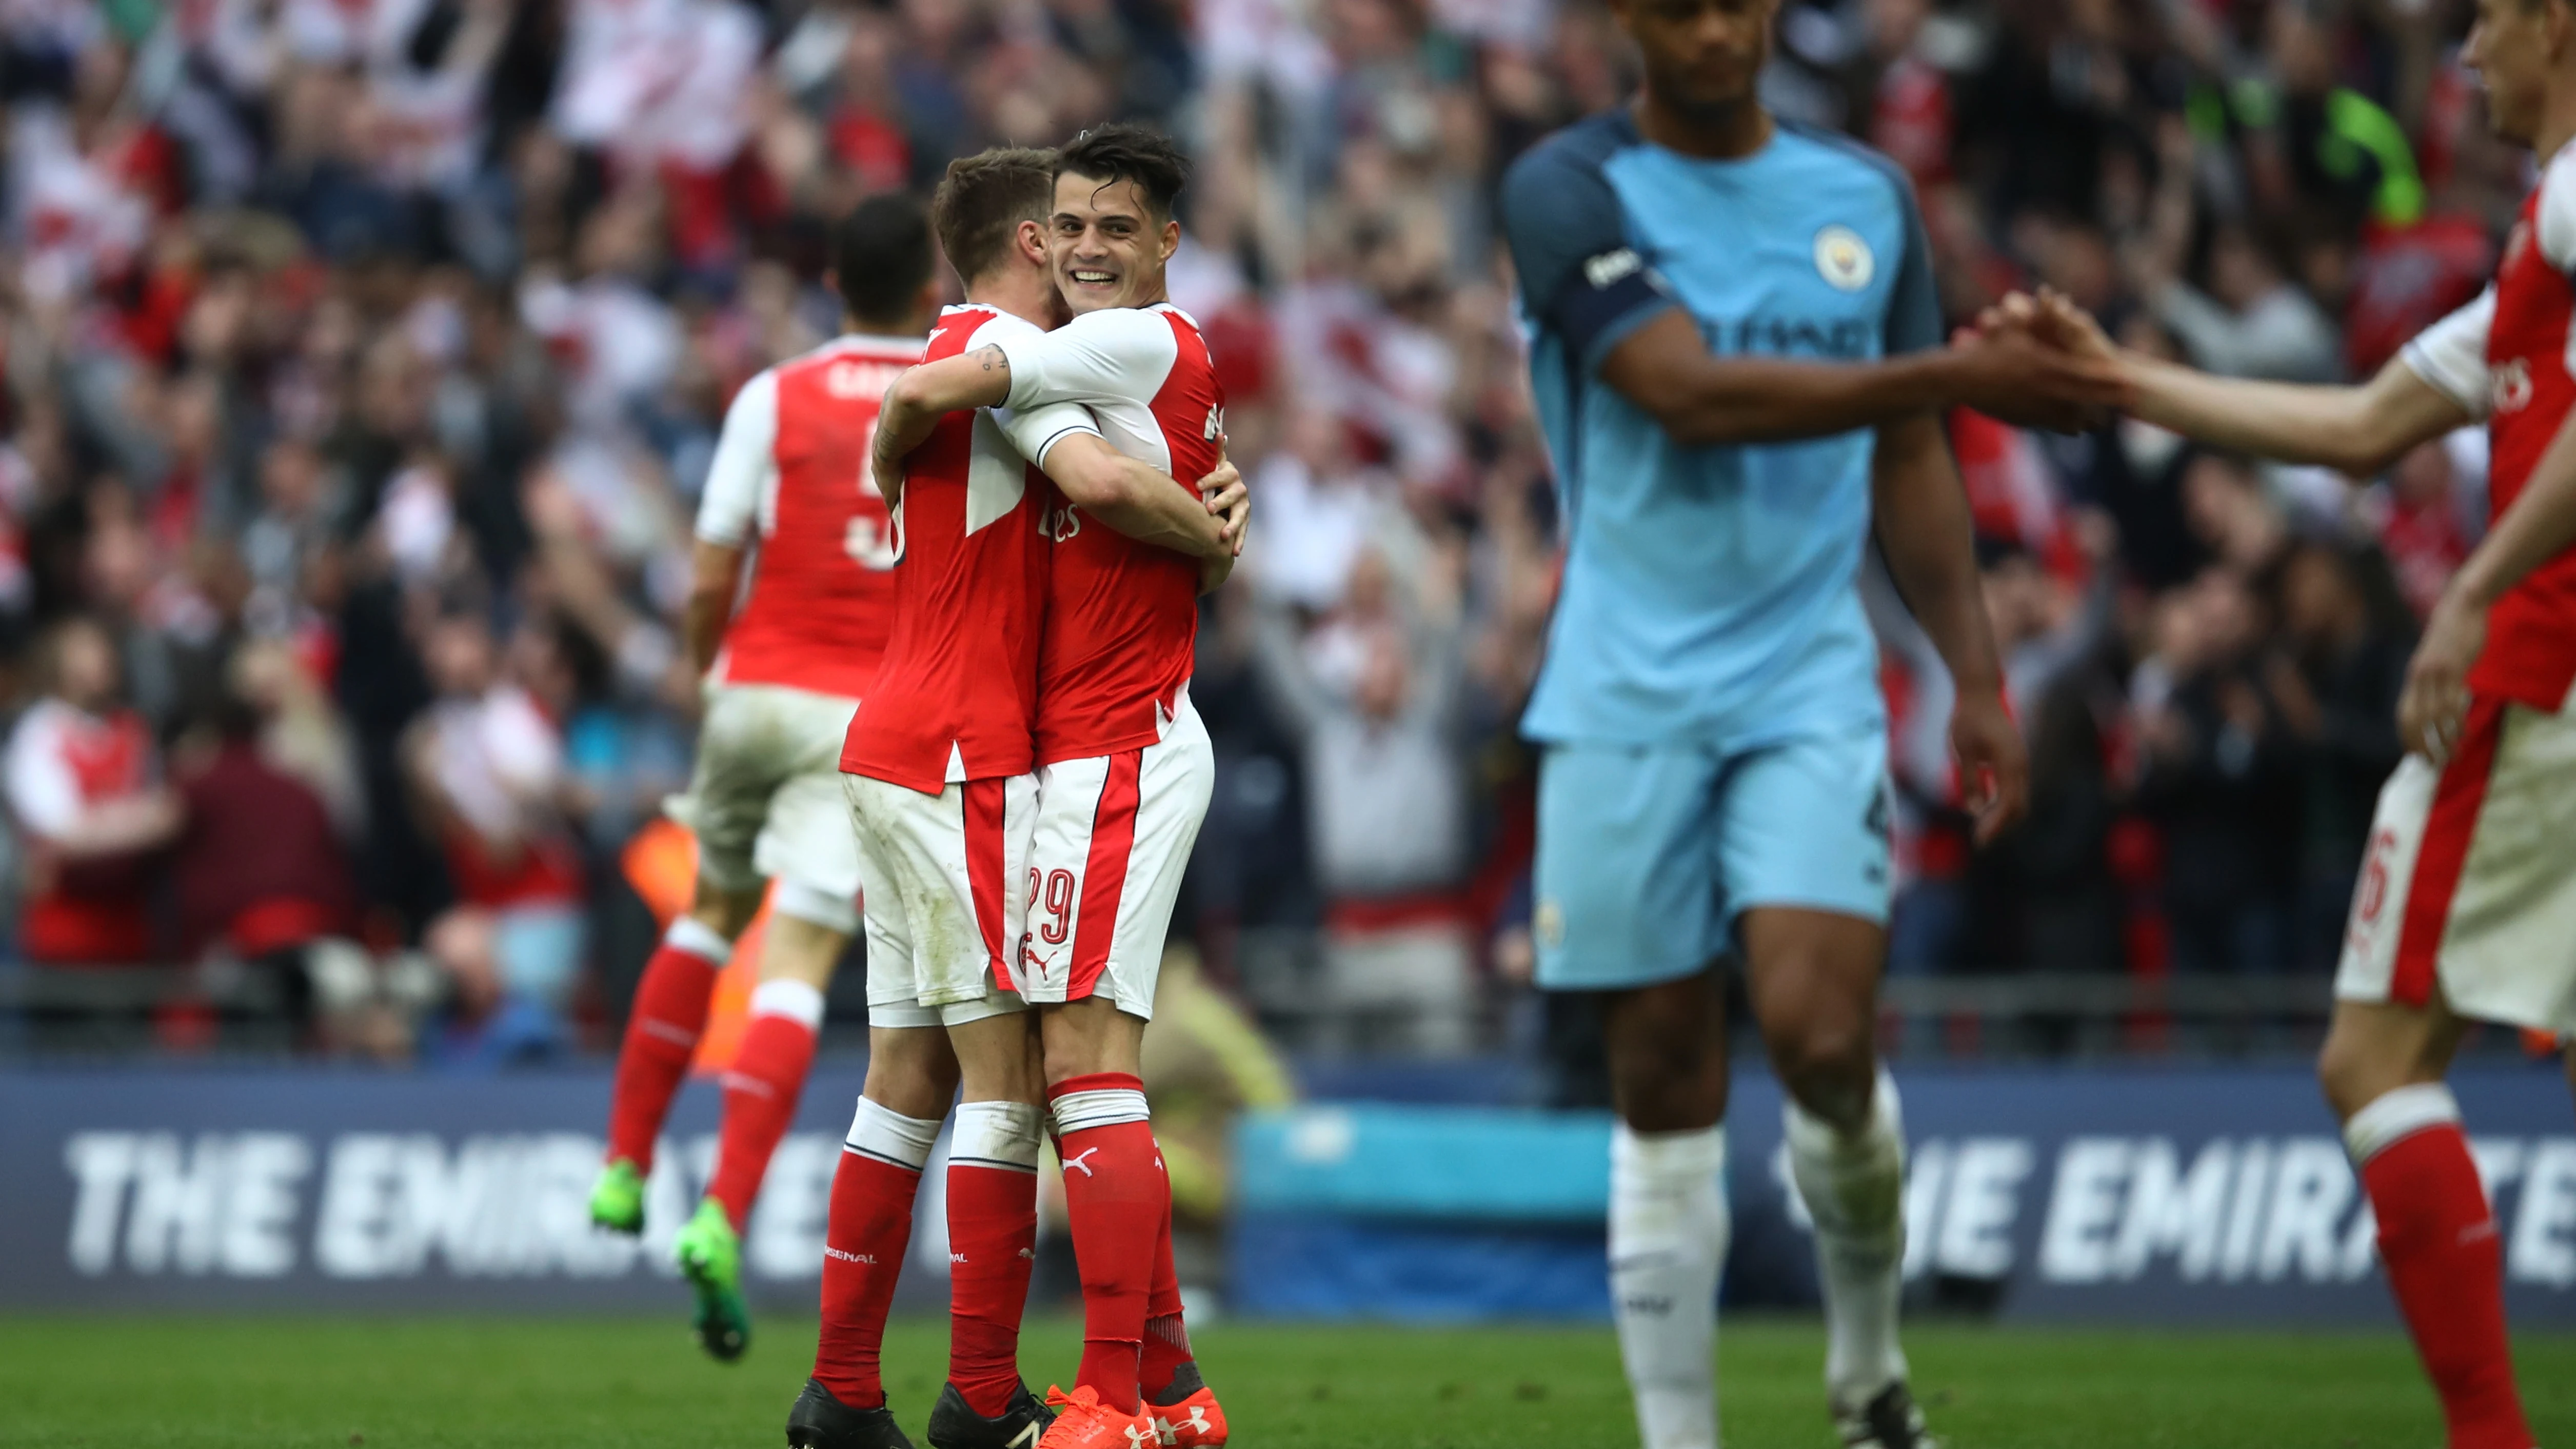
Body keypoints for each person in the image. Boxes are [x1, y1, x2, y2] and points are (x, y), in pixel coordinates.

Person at [1492, 0, 2127, 1443]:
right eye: (1677, 8)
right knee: (1657, 1075)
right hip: (1617, 696)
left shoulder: (1863, 199)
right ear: (1626, 22)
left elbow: (1909, 454)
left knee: (1818, 1037)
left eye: (1735, 3)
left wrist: (1972, 676)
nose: (1712, 31)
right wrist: (1958, 373)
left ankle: (1865, 1377)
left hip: (1803, 685)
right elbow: (1681, 395)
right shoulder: (1563, 188)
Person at [1980, 0, 2576, 1438]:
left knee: (2371, 1061)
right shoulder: (2526, 273)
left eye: (2487, 18)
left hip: (2537, 678)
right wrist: (2114, 380)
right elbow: (2357, 422)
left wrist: (2471, 588)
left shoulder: (2571, 193)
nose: (2464, 53)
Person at [790, 143, 1243, 1449]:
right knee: (1012, 1081)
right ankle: (991, 1395)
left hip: (903, 744)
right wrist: (1214, 526)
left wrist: (1212, 495)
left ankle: (843, 1389)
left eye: (1115, 224)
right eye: (1069, 226)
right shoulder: (1005, 354)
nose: (1087, 248)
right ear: (1035, 245)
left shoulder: (996, 339)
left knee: (907, 1075)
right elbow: (1099, 482)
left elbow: (1116, 480)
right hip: (965, 753)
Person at [584, 194, 938, 1361]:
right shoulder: (950, 394)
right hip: (863, 716)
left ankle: (626, 1161)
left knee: (707, 914)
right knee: (796, 957)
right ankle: (723, 1212)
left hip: (752, 689)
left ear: (833, 280)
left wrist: (707, 674)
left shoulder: (772, 394)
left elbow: (707, 568)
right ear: (930, 285)